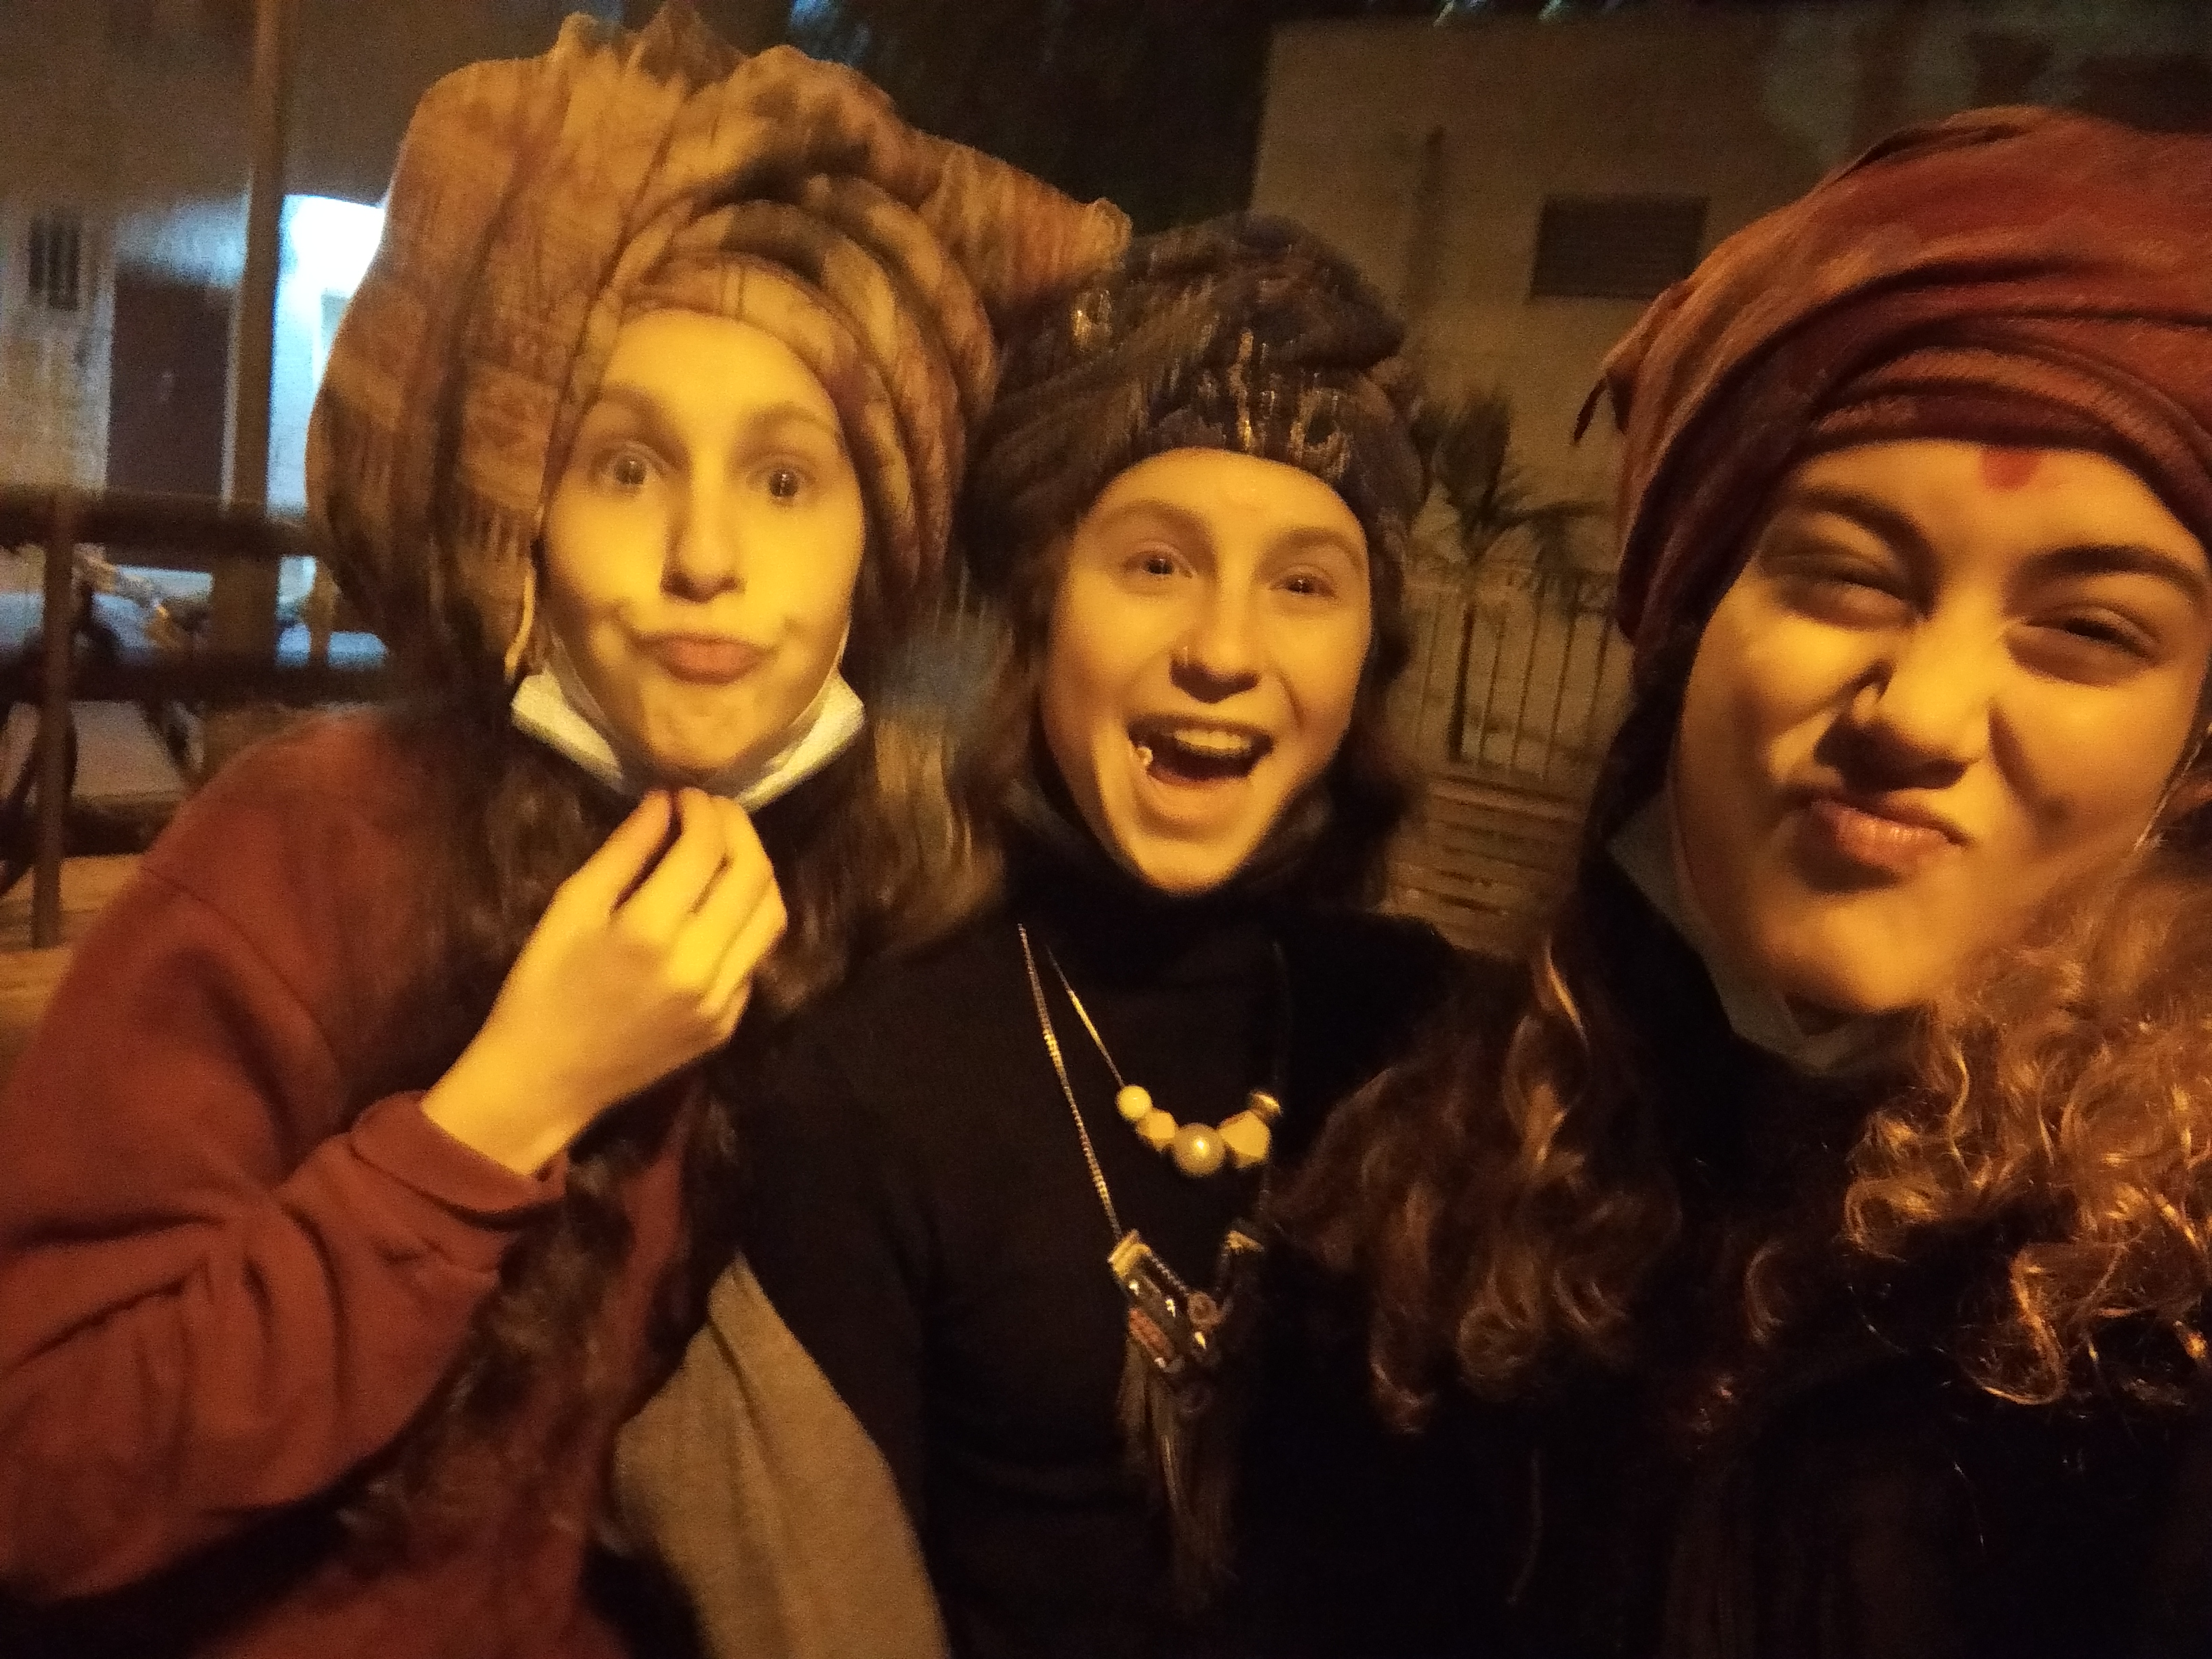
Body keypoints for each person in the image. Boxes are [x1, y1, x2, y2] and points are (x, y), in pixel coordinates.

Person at [0, 8, 1124, 1656]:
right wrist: (505, 1106)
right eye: (626, 466)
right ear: (521, 513)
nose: (705, 558)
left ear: (874, 543)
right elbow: (41, 1463)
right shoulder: (320, 850)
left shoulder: (884, 896)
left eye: (788, 481)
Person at [1259, 107, 2212, 1659]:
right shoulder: (1468, 1171)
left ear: (2194, 761)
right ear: (1692, 640)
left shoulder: (2164, 1362)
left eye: (2088, 631)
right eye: (1845, 576)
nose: (1917, 713)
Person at [609, 214, 1458, 1659]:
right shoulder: (873, 1088)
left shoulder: (1438, 1052)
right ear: (1040, 610)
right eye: (1157, 565)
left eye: (1306, 584)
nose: (1224, 650)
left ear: (1366, 655)